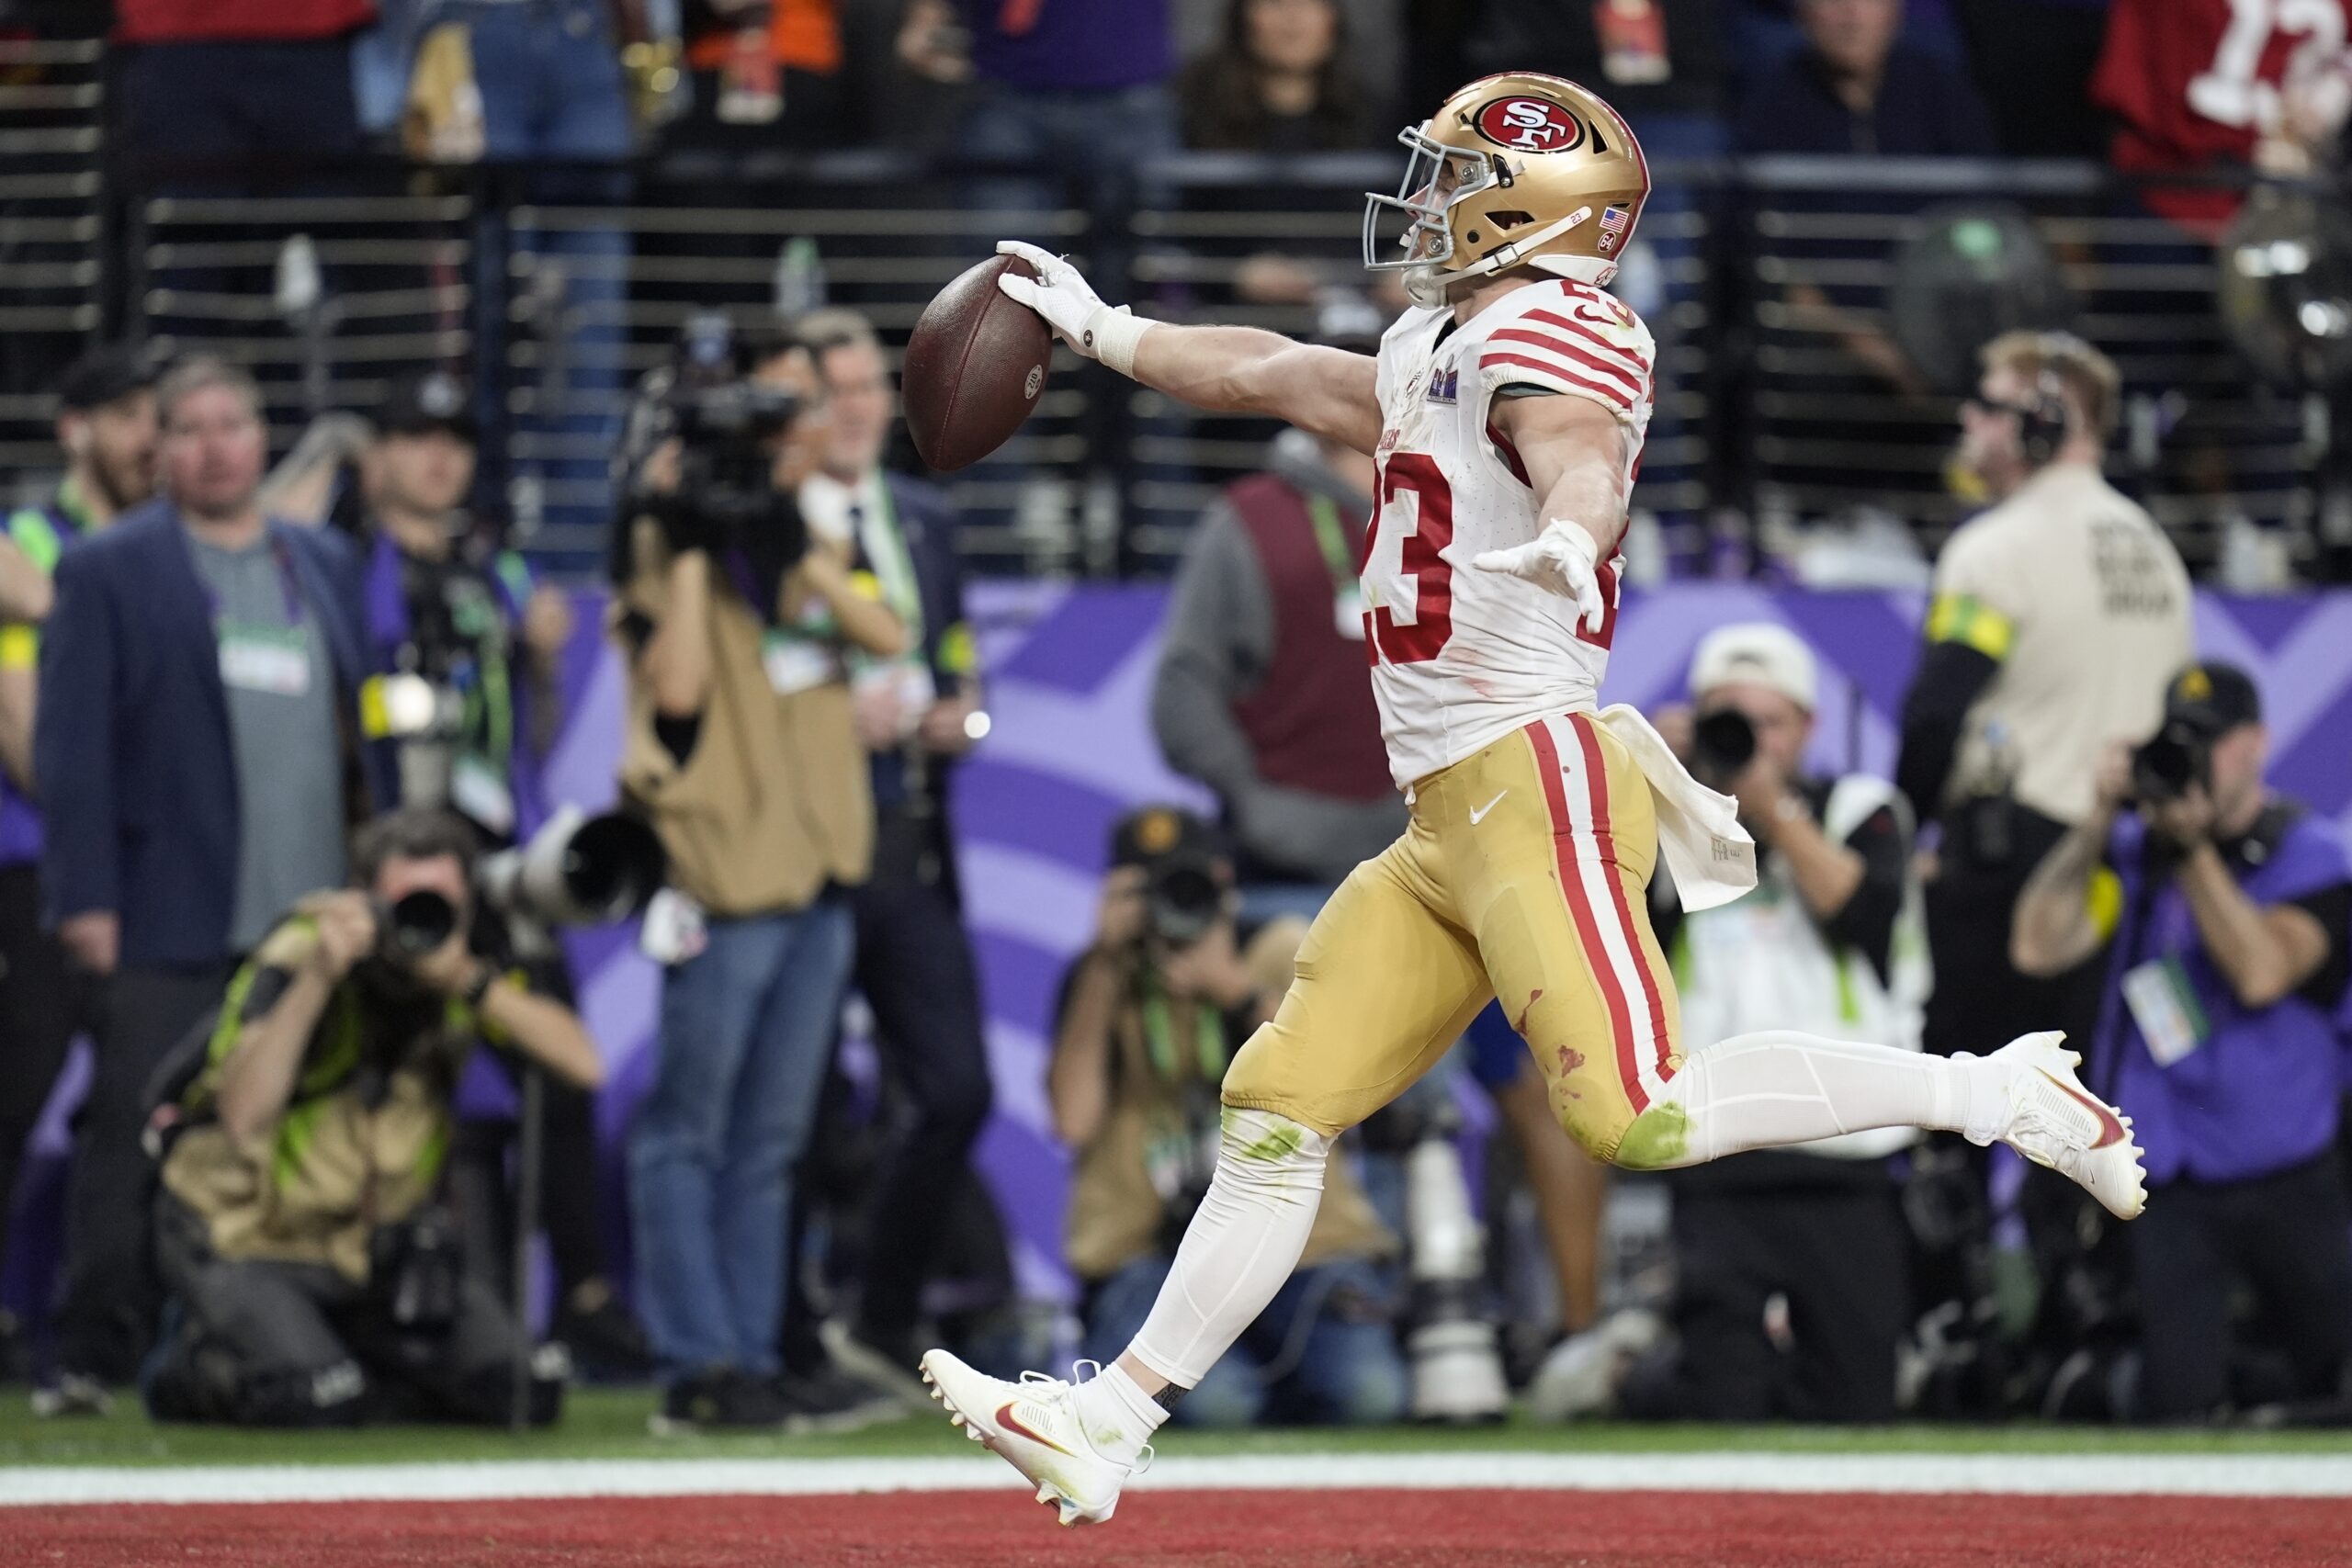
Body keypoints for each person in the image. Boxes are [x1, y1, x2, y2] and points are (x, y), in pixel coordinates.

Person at [919, 71, 2143, 1529]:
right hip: (1450, 812)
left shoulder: (1554, 323)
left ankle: (2001, 1090)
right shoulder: (1442, 333)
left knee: (1640, 1115)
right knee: (1273, 1104)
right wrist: (1107, 331)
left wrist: (1572, 532)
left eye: (1451, 177)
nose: (1424, 204)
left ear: (1530, 206)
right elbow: (1275, 372)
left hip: (1537, 776)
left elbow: (1583, 448)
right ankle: (1108, 1419)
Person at [38, 356, 395, 1404]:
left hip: (311, 919)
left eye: (231, 423)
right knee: (135, 1134)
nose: (211, 444)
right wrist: (86, 898)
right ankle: (96, 1351)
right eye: (185, 428)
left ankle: (251, 1343)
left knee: (294, 1138)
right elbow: (72, 752)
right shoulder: (109, 566)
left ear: (261, 434)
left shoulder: (322, 559)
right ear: (159, 448)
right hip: (166, 907)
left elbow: (355, 732)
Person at [612, 328, 903, 1430]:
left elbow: (883, 631)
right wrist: (689, 540)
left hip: (817, 873)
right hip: (722, 875)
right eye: (780, 421)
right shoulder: (655, 539)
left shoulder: (791, 542)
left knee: (770, 1141)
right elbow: (678, 690)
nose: (799, 438)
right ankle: (696, 1366)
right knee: (688, 1129)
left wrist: (790, 541)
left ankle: (745, 1354)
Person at [1536, 624, 1926, 1423]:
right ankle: (1638, 1374)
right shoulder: (1673, 825)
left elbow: (1863, 909)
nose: (1747, 741)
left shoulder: (1860, 808)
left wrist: (1770, 806)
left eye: (1767, 723)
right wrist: (1654, 784)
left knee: (1857, 1406)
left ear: (1807, 728)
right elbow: (1607, 932)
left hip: (1846, 1150)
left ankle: (1639, 1364)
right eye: (1726, 719)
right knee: (1724, 1403)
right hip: (1720, 1150)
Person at [351, 369, 648, 1380]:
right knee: (396, 1074)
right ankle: (393, 1285)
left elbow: (536, 732)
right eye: (413, 436)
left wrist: (542, 666)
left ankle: (586, 1292)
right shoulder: (346, 563)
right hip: (401, 853)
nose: (438, 457)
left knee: (556, 1075)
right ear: (374, 455)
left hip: (505, 855)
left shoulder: (502, 575)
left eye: (453, 438)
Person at [142, 809, 602, 1427]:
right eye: (405, 904)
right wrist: (320, 976)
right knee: (317, 1397)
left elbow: (582, 1063)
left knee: (522, 1392)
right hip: (254, 1234)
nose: (423, 923)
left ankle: (358, 1361)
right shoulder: (303, 948)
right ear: (365, 899)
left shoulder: (464, 966)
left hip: (379, 1250)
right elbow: (244, 1114)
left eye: (443, 904)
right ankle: (197, 1360)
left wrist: (463, 976)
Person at [2012, 664, 2352, 1422]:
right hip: (2170, 1173)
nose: (2198, 761)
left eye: (2216, 742)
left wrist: (2192, 849)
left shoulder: (2309, 852)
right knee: (2180, 1402)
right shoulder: (2136, 850)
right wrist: (2099, 818)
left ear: (2257, 743)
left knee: (2332, 1378)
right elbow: (2036, 945)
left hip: (2285, 1166)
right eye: (2182, 742)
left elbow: (2262, 972)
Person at [791, 307, 994, 1391]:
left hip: (911, 839)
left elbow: (960, 675)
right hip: (804, 848)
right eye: (830, 393)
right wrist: (833, 713)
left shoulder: (924, 520)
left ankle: (876, 1316)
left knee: (956, 1090)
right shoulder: (770, 528)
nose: (858, 409)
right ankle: (785, 1341)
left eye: (871, 384)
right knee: (800, 1108)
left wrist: (956, 714)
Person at [1895, 333, 2193, 1066]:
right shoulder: (2156, 548)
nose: (1967, 418)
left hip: (2011, 863)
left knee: (1964, 1098)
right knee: (2086, 1108)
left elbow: (1940, 705)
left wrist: (1904, 833)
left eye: (1989, 405)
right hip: (2128, 856)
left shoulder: (1997, 546)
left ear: (2044, 421)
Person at [1053, 808, 1405, 1429]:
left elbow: (1343, 1090)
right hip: (1151, 1256)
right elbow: (1074, 1121)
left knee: (1369, 1394)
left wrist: (1237, 991)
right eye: (1147, 890)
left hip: (1306, 1251)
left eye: (1184, 883)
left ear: (1223, 881)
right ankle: (1259, 1384)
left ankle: (1278, 1377)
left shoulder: (1284, 951)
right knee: (1217, 1408)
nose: (1169, 906)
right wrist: (1105, 969)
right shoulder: (1101, 979)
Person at [0, 344, 158, 1373]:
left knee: (142, 1100)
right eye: (127, 415)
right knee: (16, 1089)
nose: (147, 436)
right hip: (41, 862)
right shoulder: (26, 542)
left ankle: (112, 1320)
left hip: (149, 868)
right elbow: (21, 733)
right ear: (76, 430)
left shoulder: (162, 544)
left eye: (157, 413)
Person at [1151, 413, 1405, 915]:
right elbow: (1182, 689)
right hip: (1283, 872)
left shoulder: (1438, 512)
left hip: (1423, 862)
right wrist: (1253, 800)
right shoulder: (1248, 521)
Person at [1733, 0, 1996, 156]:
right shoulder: (1770, 102)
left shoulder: (1941, 94)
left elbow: (1985, 204)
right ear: (1804, 13)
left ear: (1896, 10)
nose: (1852, 17)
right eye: (1833, 1)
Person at [1178, 0, 1379, 153]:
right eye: (1275, 1)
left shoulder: (1378, 121)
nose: (1292, 18)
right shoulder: (1182, 115)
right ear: (1242, 18)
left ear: (1334, 20)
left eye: (1309, 1)